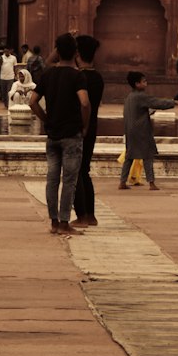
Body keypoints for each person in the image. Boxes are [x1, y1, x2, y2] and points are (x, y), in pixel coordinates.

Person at [29, 32, 90, 234]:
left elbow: (32, 102)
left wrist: (46, 119)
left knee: (52, 179)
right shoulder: (77, 75)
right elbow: (84, 102)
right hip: (71, 135)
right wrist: (85, 125)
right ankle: (65, 222)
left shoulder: (48, 74)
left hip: (53, 134)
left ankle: (54, 222)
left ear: (57, 52)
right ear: (75, 53)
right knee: (69, 181)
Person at [120, 72, 178, 191]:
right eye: (143, 81)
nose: (146, 83)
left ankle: (122, 182)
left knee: (129, 156)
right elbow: (157, 102)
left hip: (130, 130)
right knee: (147, 156)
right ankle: (151, 183)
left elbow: (139, 111)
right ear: (137, 84)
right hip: (141, 130)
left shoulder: (129, 97)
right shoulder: (140, 96)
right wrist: (175, 102)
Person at [74, 34, 104, 225]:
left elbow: (84, 104)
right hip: (91, 126)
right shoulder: (97, 77)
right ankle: (89, 215)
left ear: (78, 53)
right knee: (84, 170)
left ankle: (82, 216)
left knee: (77, 172)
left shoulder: (79, 77)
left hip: (80, 127)